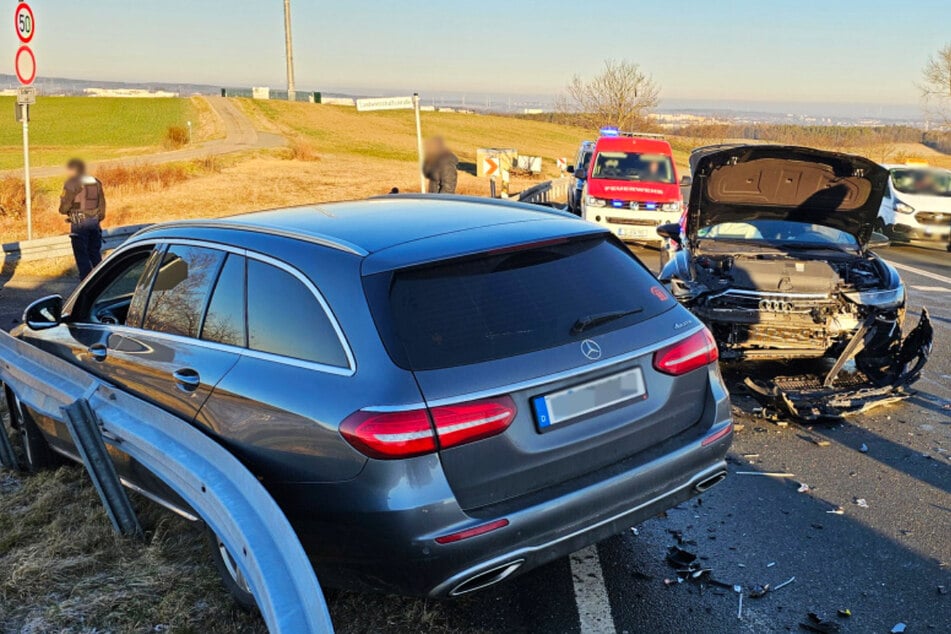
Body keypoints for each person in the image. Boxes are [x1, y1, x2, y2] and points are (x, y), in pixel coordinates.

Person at [59, 159, 106, 279]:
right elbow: (102, 203)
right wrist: (98, 218)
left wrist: (63, 210)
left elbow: (65, 206)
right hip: (94, 222)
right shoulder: (95, 181)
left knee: (82, 255)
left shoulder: (72, 183)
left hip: (79, 223)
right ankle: (101, 280)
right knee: (95, 253)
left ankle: (86, 284)